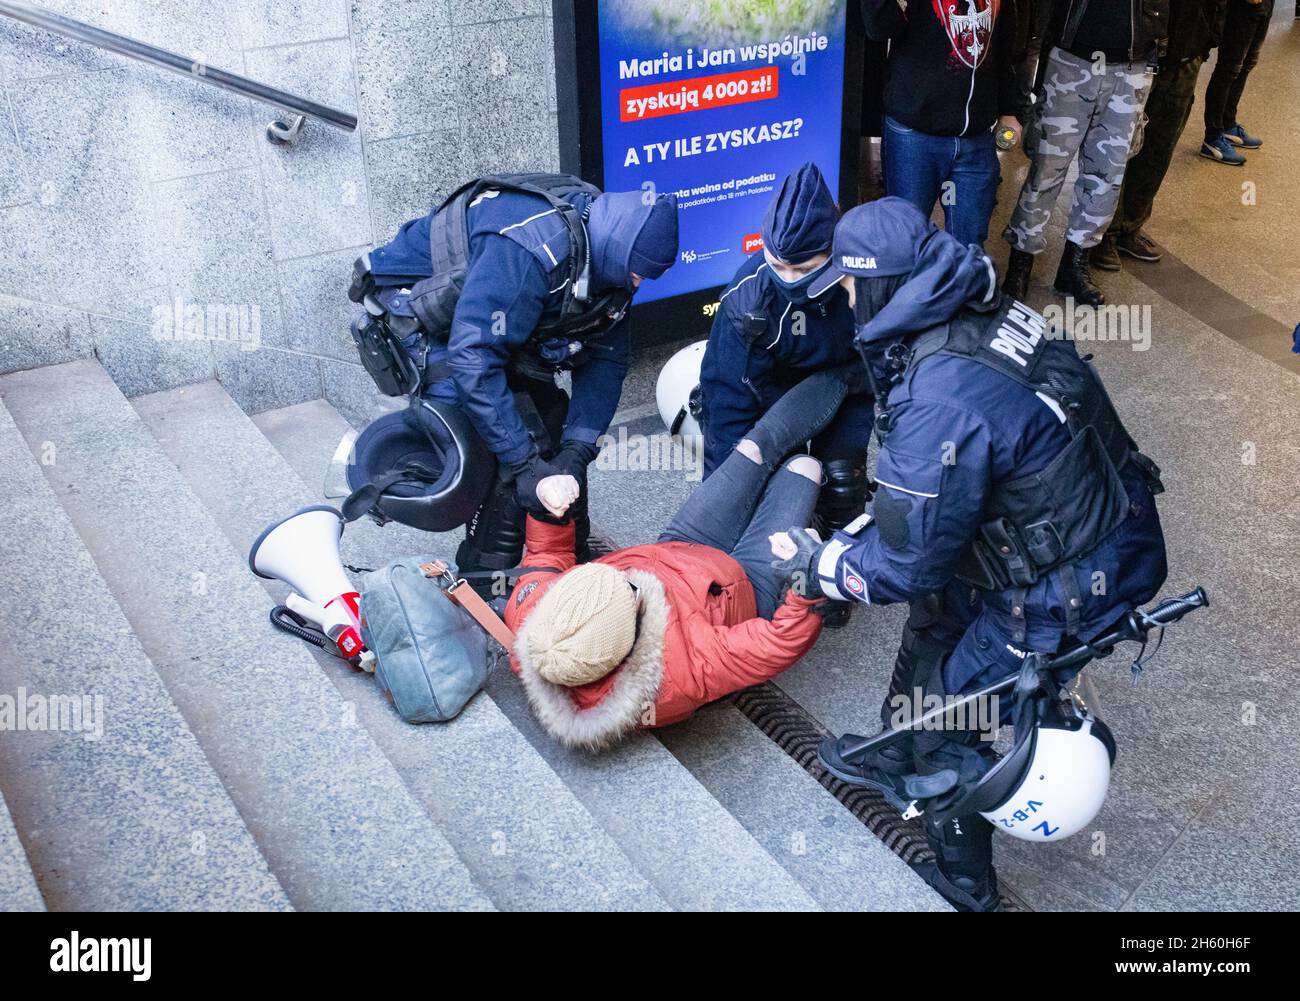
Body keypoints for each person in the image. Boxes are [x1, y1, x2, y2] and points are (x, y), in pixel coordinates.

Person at [773, 198, 1168, 911]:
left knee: (955, 710)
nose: (848, 300)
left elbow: (907, 562)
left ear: (883, 284)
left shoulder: (938, 395)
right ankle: (894, 750)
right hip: (1077, 525)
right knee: (937, 617)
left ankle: (965, 879)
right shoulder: (982, 307)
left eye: (852, 286)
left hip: (1065, 581)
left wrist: (826, 567)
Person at [503, 369, 857, 751]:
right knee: (803, 469)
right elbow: (779, 643)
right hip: (750, 590)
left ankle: (852, 371)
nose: (624, 572)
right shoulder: (679, 673)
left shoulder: (536, 623)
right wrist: (805, 583)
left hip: (682, 548)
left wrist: (548, 510)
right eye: (627, 584)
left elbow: (546, 554)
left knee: (755, 448)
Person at [349, 173, 679, 577]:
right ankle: (485, 576)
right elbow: (474, 358)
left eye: (645, 276)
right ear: (618, 251)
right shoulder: (531, 250)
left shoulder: (613, 258)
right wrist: (525, 467)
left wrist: (577, 452)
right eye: (636, 273)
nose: (637, 283)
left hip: (491, 313)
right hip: (418, 311)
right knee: (493, 445)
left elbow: (608, 360)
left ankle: (571, 555)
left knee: (551, 429)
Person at [699, 162, 874, 566]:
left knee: (842, 478)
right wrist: (724, 492)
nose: (791, 280)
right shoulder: (747, 304)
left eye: (806, 270)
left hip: (851, 383)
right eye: (779, 266)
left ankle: (833, 569)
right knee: (771, 480)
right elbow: (727, 401)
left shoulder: (865, 278)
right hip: (778, 396)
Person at [1002, 0, 1168, 306]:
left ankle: (1075, 264)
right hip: (1072, 59)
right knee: (1047, 169)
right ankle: (1020, 264)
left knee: (1107, 173)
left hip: (1133, 66)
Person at [859, 0, 1023, 249]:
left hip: (977, 140)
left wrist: (1009, 110)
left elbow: (1004, 47)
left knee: (970, 246)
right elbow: (879, 28)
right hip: (914, 135)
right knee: (906, 241)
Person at [1094, 0, 1227, 267]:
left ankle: (1130, 226)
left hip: (1186, 54)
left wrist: (1209, 38)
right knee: (1118, 146)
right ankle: (1103, 233)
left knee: (1159, 148)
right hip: (1138, 54)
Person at [1199, 0, 1271, 165]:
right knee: (1229, 68)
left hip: (1263, 6)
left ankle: (1228, 124)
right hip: (1239, 8)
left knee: (1247, 64)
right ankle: (1213, 137)